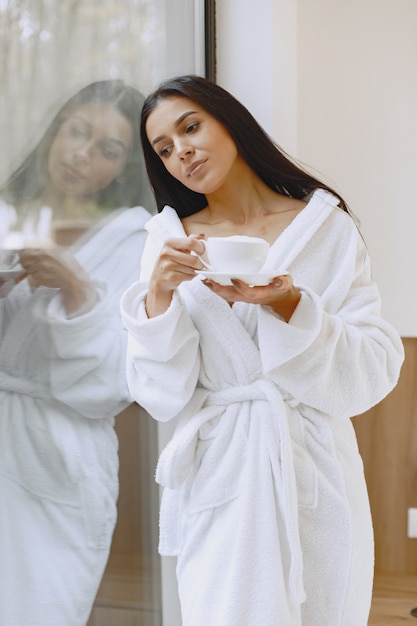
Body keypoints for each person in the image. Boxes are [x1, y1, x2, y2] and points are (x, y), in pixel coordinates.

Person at [120, 74, 405, 626]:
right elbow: (160, 393)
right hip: (223, 474)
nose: (181, 151)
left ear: (231, 121)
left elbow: (372, 369)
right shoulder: (169, 242)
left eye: (190, 127)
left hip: (314, 469)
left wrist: (292, 306)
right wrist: (158, 297)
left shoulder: (326, 229)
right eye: (164, 149)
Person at [0, 79, 152, 625]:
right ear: (54, 133)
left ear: (124, 166)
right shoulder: (4, 213)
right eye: (76, 132)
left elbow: (115, 383)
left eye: (108, 149)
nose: (82, 154)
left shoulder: (134, 243)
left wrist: (79, 294)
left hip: (59, 457)